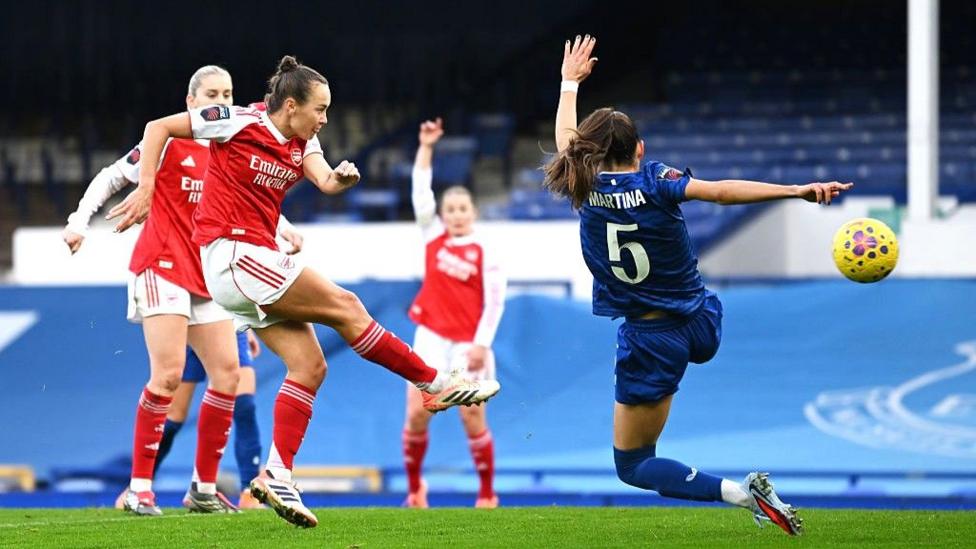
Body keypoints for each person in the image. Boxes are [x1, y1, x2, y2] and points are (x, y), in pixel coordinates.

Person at [108, 55, 501, 528]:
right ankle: (433, 383)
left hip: (246, 267)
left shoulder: (304, 139)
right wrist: (148, 187)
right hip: (233, 255)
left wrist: (342, 179)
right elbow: (157, 128)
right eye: (320, 108)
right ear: (290, 105)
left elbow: (325, 179)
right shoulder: (235, 120)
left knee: (310, 366)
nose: (325, 118)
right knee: (347, 306)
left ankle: (277, 473)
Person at [543, 35, 853, 536]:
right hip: (703, 321)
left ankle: (739, 492)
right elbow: (721, 191)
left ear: (586, 154)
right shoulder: (657, 179)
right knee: (687, 311)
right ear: (640, 150)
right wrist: (797, 190)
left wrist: (568, 83)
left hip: (652, 338)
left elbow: (565, 142)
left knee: (635, 466)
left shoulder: (584, 185)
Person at [62, 65, 275, 516]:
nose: (221, 99)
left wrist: (285, 230)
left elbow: (241, 206)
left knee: (229, 374)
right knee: (169, 376)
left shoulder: (231, 144)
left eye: (229, 92)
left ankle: (202, 488)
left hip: (207, 275)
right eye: (212, 92)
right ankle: (138, 489)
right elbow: (111, 176)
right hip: (161, 266)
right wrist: (79, 221)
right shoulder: (170, 141)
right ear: (191, 102)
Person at [401, 118, 506, 509]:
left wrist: (482, 345)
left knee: (472, 418)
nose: (457, 214)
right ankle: (415, 490)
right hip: (430, 336)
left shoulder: (486, 249)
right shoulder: (433, 236)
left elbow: (495, 300)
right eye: (451, 208)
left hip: (467, 343)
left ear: (474, 212)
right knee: (416, 415)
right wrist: (426, 146)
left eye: (463, 208)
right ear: (442, 213)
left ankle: (487, 493)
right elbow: (420, 191)